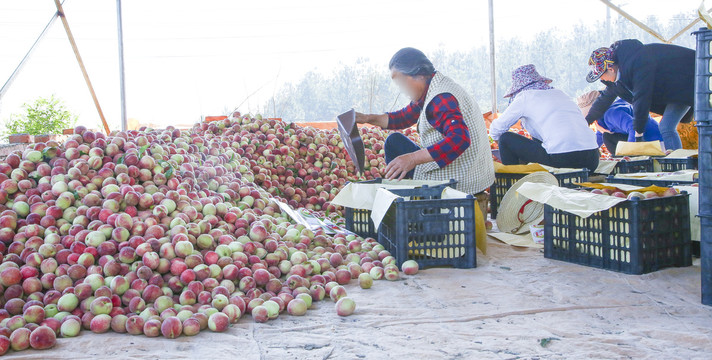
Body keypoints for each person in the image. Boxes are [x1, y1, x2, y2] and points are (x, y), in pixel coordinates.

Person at [354, 47, 494, 197]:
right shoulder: (432, 87)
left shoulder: (440, 98)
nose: (402, 89)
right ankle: (404, 200)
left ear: (417, 74)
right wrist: (366, 118)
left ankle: (406, 205)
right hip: (470, 170)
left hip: (461, 180)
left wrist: (412, 159)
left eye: (402, 82)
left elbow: (459, 139)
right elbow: (403, 117)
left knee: (395, 148)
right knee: (394, 141)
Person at [585, 39, 694, 151]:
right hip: (672, 91)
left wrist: (638, 134)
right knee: (667, 127)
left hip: (686, 83)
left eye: (601, 76)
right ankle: (675, 160)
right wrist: (586, 121)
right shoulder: (621, 75)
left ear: (611, 69)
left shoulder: (637, 64)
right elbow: (605, 98)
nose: (602, 80)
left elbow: (642, 98)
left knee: (667, 127)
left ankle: (676, 162)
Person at [489, 64, 600, 171]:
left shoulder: (525, 96)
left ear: (518, 89)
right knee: (538, 139)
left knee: (505, 138)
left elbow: (496, 130)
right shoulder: (560, 93)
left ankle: (514, 181)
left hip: (563, 160)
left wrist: (502, 146)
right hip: (592, 160)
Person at [577, 90, 662, 154]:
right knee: (605, 135)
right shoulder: (601, 118)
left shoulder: (612, 113)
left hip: (654, 141)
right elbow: (598, 137)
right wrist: (589, 152)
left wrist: (630, 152)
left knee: (607, 137)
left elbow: (634, 127)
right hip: (644, 138)